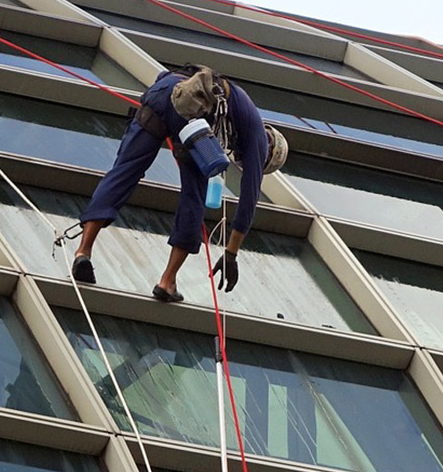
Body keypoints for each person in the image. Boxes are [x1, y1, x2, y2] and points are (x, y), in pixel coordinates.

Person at [71, 64, 288, 301]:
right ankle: (168, 281)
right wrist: (231, 253)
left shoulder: (238, 105)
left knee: (123, 172)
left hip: (162, 92)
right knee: (193, 197)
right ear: (269, 150)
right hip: (192, 113)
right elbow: (249, 200)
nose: (240, 160)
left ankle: (83, 252)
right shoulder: (257, 136)